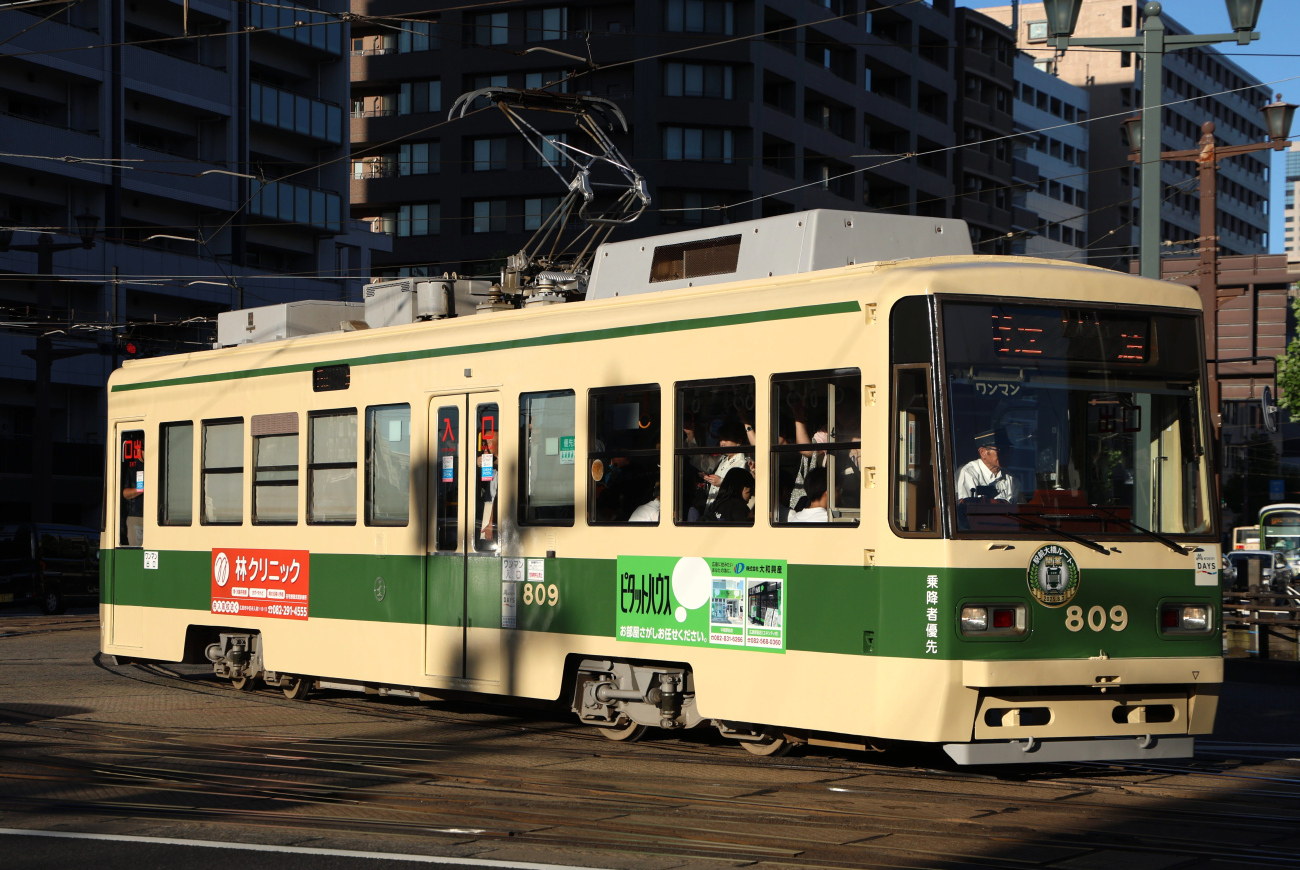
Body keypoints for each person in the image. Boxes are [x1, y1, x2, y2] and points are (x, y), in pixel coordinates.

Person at [956, 430, 1020, 503]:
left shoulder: (1011, 479)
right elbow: (968, 507)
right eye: (1001, 450)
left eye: (1009, 450)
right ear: (982, 452)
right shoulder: (969, 473)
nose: (1007, 454)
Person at [701, 420, 748, 512]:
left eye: (726, 439)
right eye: (721, 439)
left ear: (739, 442)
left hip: (727, 511)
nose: (722, 443)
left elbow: (743, 489)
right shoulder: (723, 459)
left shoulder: (743, 462)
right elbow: (705, 464)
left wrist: (722, 483)